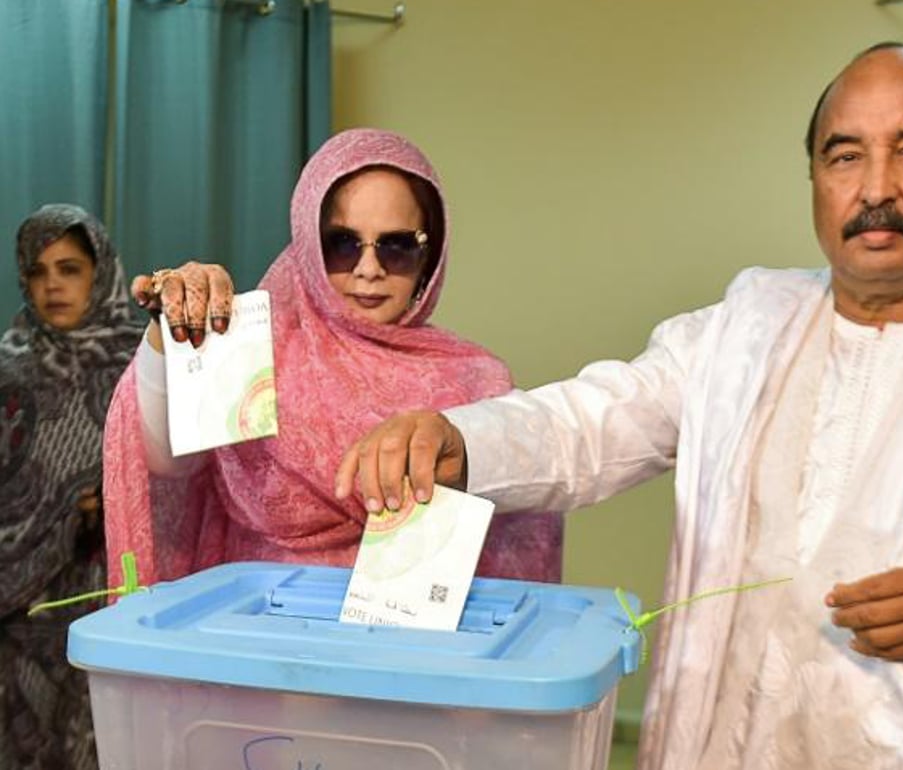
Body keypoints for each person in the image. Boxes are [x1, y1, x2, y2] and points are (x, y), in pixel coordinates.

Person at [332, 44, 903, 769]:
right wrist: (461, 438)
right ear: (816, 180)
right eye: (845, 154)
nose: (876, 188)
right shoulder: (743, 329)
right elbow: (589, 419)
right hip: (727, 743)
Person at [102, 128, 562, 590]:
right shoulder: (254, 349)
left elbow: (516, 547)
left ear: (430, 255)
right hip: (259, 641)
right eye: (341, 244)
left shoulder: (477, 380)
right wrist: (172, 331)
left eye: (397, 246)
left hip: (410, 653)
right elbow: (165, 461)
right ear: (306, 244)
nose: (369, 269)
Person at [0, 204, 144, 769]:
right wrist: (55, 516)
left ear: (100, 271)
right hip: (18, 609)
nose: (52, 284)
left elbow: (186, 483)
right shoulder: (8, 367)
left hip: (108, 596)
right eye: (37, 271)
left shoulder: (143, 363)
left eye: (69, 268)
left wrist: (114, 503)